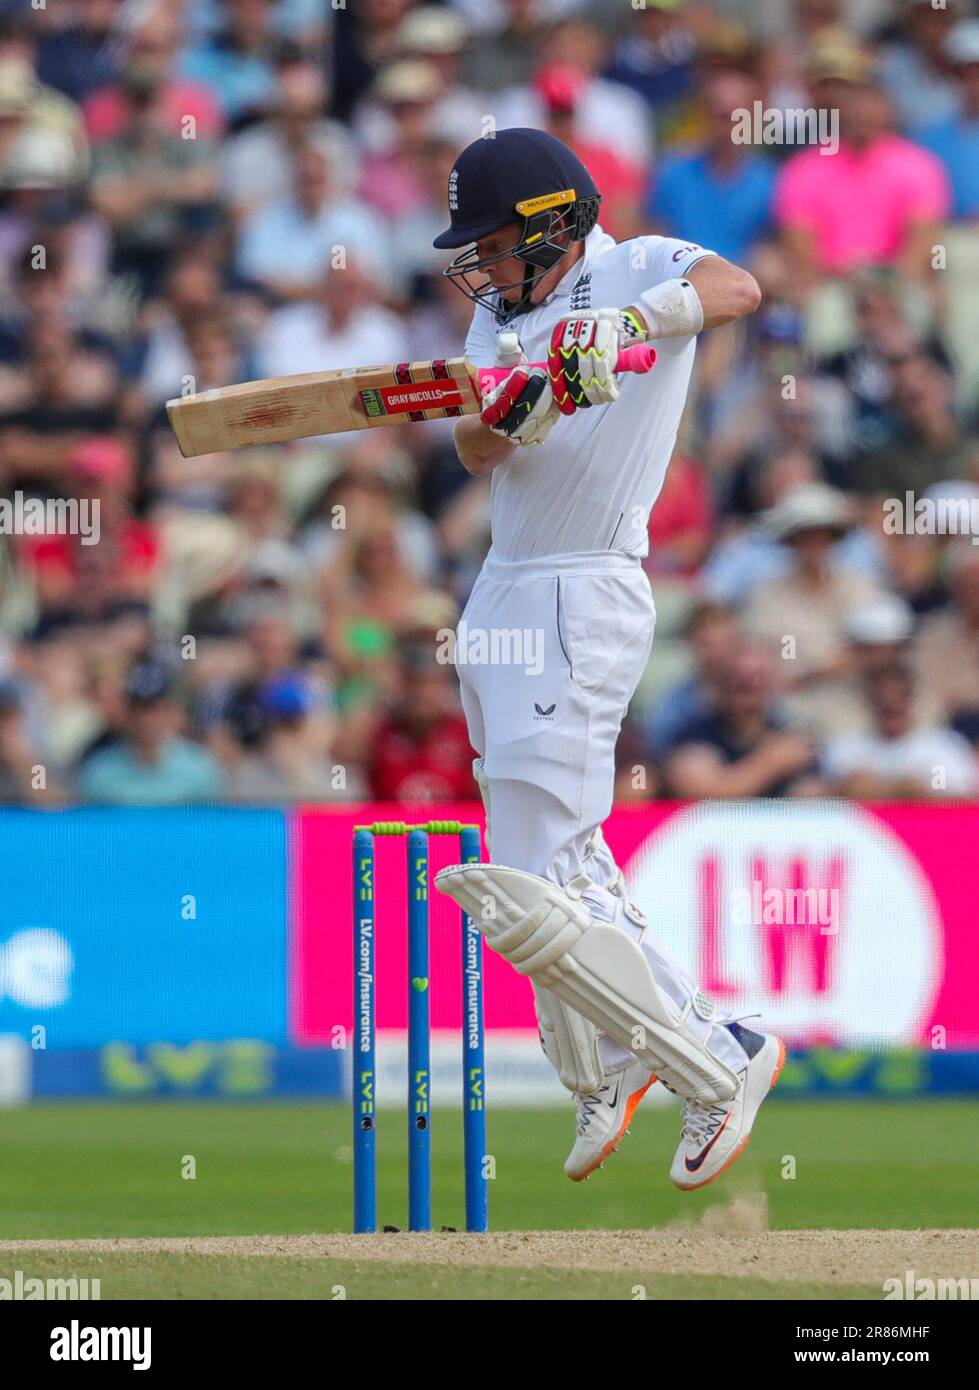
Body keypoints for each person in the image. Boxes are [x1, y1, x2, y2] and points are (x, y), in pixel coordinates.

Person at [429, 127, 782, 1195]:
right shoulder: (498, 316)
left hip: (588, 581)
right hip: (504, 581)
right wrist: (515, 411)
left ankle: (714, 1052)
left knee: (542, 865)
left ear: (555, 225)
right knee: (541, 857)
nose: (480, 269)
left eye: (492, 246)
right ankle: (610, 1061)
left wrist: (629, 324)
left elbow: (740, 287)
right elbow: (469, 445)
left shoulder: (635, 263)